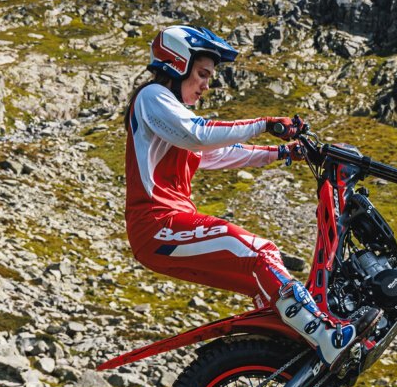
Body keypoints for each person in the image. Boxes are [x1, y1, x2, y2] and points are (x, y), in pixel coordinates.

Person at [123, 24, 378, 365]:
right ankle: (325, 334)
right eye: (202, 74)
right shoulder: (152, 97)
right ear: (177, 63)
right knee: (258, 252)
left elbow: (217, 154)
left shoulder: (171, 118)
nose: (206, 85)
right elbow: (198, 135)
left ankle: (287, 356)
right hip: (157, 224)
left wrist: (283, 153)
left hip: (164, 229)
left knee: (262, 273)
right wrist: (265, 124)